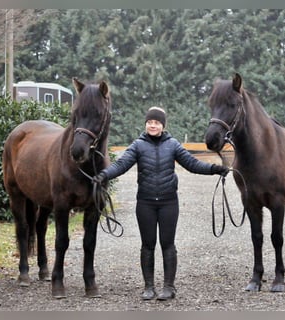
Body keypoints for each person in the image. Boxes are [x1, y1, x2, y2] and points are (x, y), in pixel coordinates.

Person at [93, 106, 228, 301]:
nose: (152, 125)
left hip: (168, 203)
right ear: (146, 124)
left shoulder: (173, 144)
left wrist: (215, 169)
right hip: (145, 203)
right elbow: (121, 165)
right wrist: (104, 175)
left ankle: (168, 287)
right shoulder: (138, 145)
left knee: (168, 244)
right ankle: (148, 286)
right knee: (147, 245)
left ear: (162, 125)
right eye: (149, 122)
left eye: (156, 122)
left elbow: (192, 164)